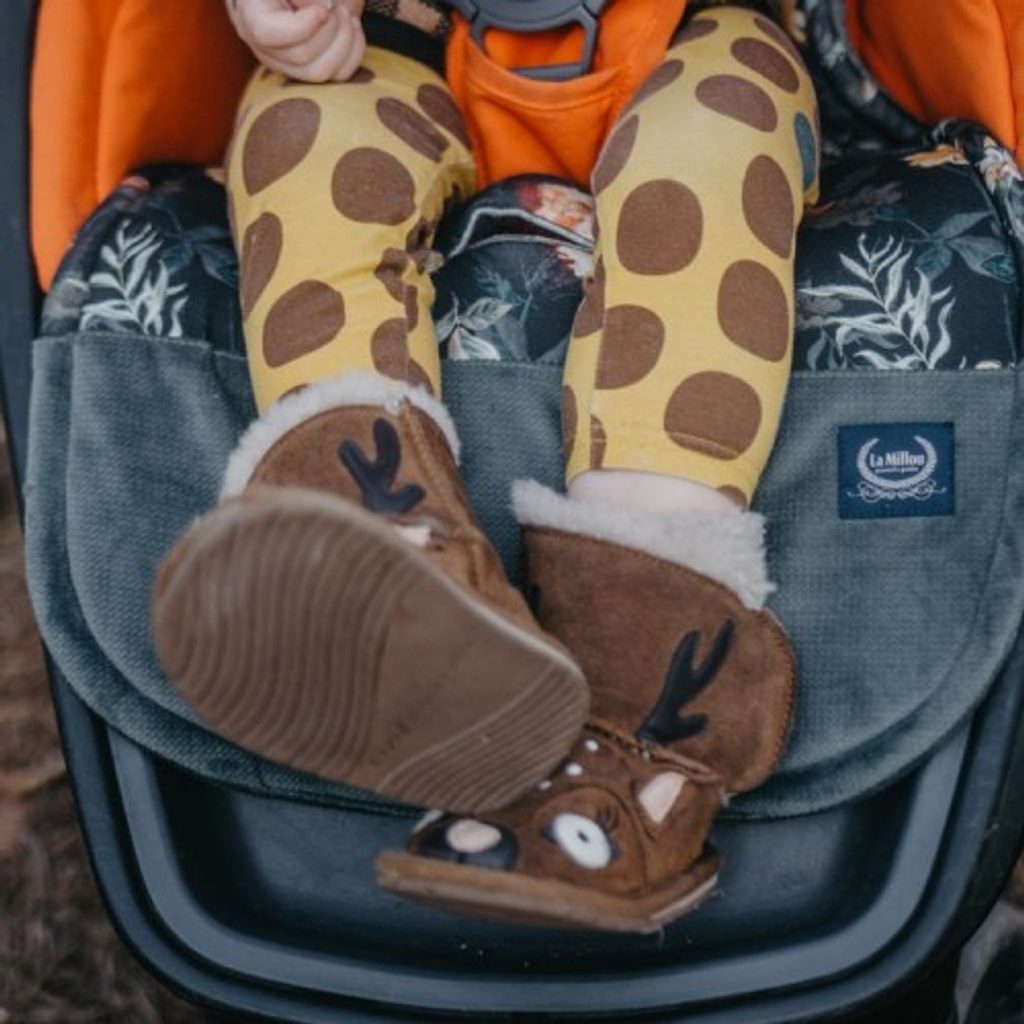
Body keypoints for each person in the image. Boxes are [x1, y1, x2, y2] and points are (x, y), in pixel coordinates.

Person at [152, 0, 819, 931]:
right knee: (304, 133)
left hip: (689, 36)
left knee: (712, 153)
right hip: (397, 41)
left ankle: (642, 691)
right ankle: (379, 548)